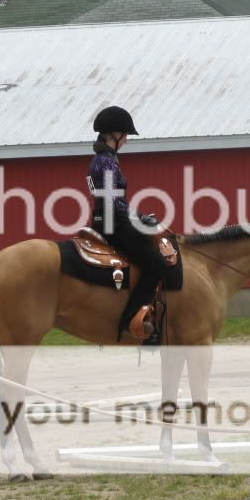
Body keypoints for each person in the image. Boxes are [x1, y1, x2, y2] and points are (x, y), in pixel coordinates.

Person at [87, 105, 170, 346]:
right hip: (114, 223)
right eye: (125, 136)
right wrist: (141, 218)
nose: (126, 141)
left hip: (106, 220)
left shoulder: (103, 159)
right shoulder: (107, 163)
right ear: (115, 135)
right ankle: (129, 322)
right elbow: (114, 202)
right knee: (155, 263)